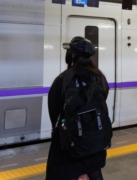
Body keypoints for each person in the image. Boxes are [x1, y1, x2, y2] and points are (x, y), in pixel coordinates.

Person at [46, 37, 110, 180]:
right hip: (97, 140)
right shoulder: (99, 77)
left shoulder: (63, 79)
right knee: (94, 172)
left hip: (72, 142)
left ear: (71, 55)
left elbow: (54, 111)